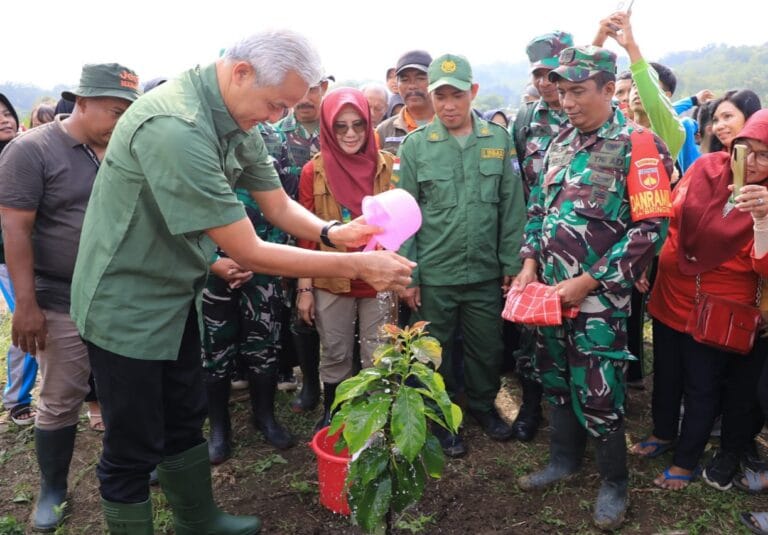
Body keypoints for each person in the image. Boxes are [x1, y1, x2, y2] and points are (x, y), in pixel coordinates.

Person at [68, 30, 413, 534]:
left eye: (289, 106)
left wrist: (334, 232)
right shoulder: (176, 127)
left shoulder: (237, 113)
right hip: (125, 301)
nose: (277, 116)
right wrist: (357, 265)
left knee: (184, 414)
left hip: (171, 293)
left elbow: (275, 204)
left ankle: (198, 519)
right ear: (242, 73)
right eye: (276, 104)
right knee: (132, 442)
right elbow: (248, 248)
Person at [514, 46, 673, 530]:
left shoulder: (639, 144)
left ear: (609, 89)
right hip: (548, 294)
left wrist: (589, 281)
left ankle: (613, 481)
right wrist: (528, 263)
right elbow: (539, 209)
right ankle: (563, 459)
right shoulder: (560, 142)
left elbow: (651, 228)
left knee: (599, 389)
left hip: (600, 299)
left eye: (578, 91)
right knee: (556, 377)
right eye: (562, 91)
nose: (567, 101)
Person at [0, 63, 140, 532]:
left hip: (120, 293)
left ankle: (129, 465)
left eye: (127, 111)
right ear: (79, 101)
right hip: (59, 296)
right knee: (61, 395)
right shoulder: (32, 150)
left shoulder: (123, 149)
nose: (120, 119)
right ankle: (53, 487)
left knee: (124, 385)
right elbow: (16, 230)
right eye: (112, 109)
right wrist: (26, 304)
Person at [396, 53, 526, 457]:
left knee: (486, 346)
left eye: (456, 95)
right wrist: (409, 275)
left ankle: (484, 407)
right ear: (431, 99)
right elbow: (405, 214)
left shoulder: (497, 141)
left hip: (485, 272)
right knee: (434, 348)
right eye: (440, 97)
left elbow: (511, 207)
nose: (448, 105)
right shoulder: (417, 146)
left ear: (473, 92)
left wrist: (510, 264)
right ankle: (440, 416)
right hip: (435, 272)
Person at [633, 109, 768, 493]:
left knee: (702, 385)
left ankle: (686, 459)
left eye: (765, 154)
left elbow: (765, 265)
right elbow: (671, 213)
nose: (753, 162)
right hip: (671, 292)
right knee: (667, 373)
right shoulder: (707, 167)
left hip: (719, 309)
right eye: (746, 149)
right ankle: (662, 433)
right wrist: (647, 260)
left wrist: (763, 217)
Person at [296, 87, 396, 430]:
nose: (351, 134)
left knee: (378, 353)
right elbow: (307, 235)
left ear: (369, 125)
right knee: (335, 350)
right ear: (328, 128)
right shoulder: (314, 171)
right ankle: (335, 411)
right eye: (341, 127)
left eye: (358, 125)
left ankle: (374, 418)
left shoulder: (387, 166)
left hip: (377, 278)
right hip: (331, 278)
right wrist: (305, 288)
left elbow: (402, 225)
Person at [202, 122, 300, 464]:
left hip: (264, 264)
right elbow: (187, 206)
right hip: (211, 267)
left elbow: (287, 200)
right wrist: (214, 260)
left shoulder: (273, 138)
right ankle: (219, 428)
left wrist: (269, 258)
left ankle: (265, 416)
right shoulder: (201, 135)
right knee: (215, 350)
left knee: (265, 344)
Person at [507, 31, 573, 443]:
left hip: (583, 247)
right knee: (531, 333)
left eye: (553, 73)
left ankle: (578, 411)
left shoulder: (587, 113)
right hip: (536, 242)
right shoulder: (527, 119)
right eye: (539, 74)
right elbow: (519, 188)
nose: (546, 82)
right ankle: (531, 406)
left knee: (576, 332)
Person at [0, 93, 39, 428]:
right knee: (27, 320)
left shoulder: (28, 150)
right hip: (7, 259)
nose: (4, 119)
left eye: (6, 112)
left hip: (42, 252)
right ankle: (18, 398)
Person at [375, 50, 434, 154]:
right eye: (405, 80)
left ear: (434, 81)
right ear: (397, 84)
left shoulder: (451, 123)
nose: (412, 86)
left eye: (420, 78)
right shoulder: (383, 132)